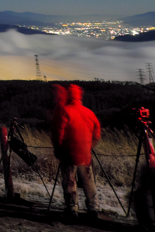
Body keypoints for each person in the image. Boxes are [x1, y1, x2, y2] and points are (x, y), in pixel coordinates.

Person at [55, 84, 101, 218]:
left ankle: (72, 209)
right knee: (88, 182)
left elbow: (59, 135)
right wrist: (89, 147)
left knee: (69, 181)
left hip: (69, 154)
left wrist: (59, 149)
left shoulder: (65, 111)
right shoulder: (89, 112)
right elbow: (97, 134)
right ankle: (93, 208)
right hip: (85, 155)